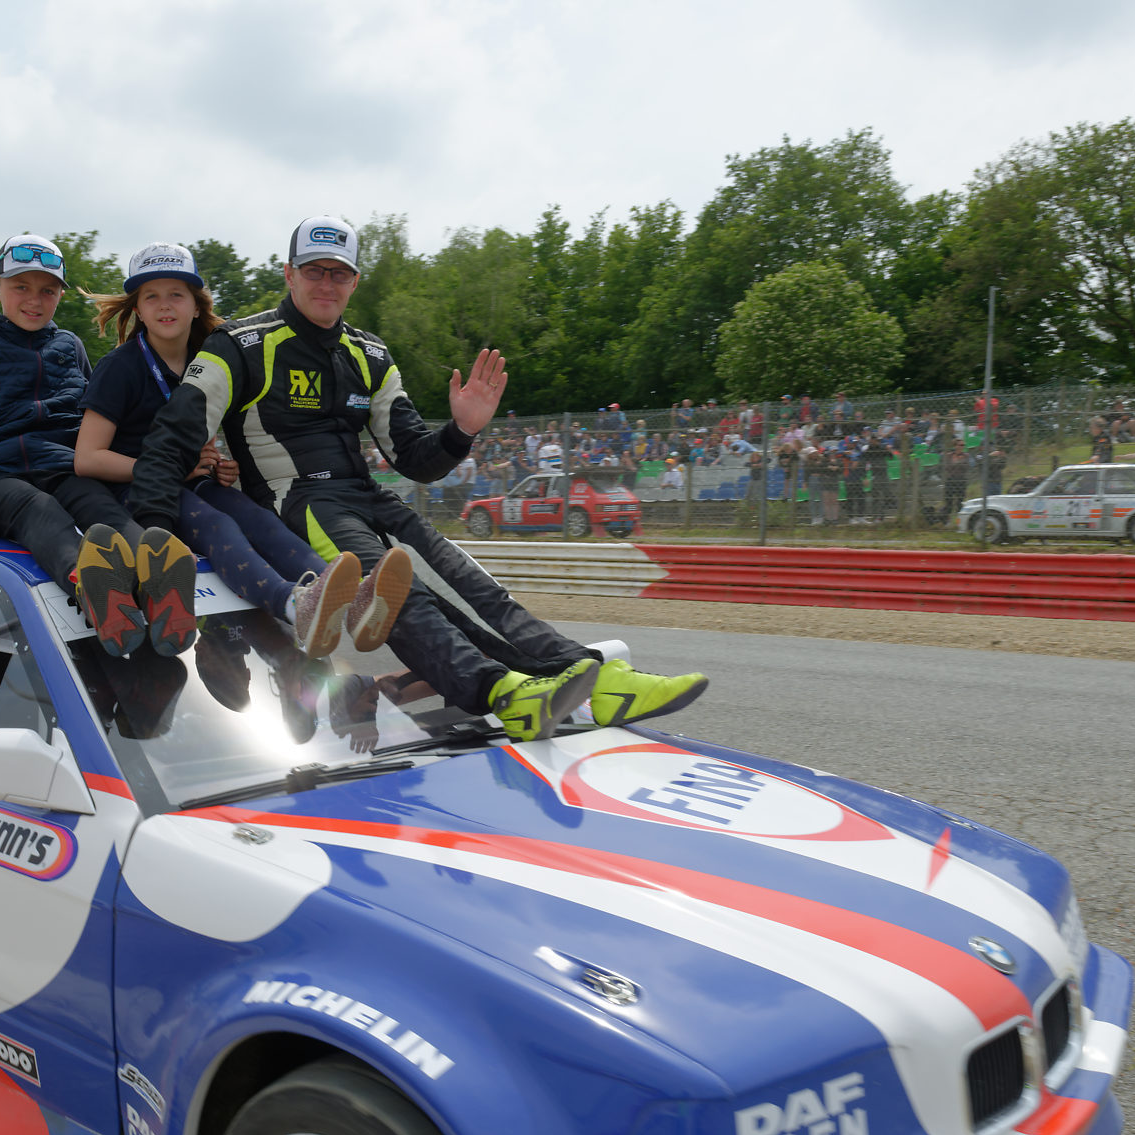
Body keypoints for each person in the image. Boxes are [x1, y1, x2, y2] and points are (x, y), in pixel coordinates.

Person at [128, 215, 706, 741]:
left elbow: (415, 458)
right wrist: (150, 532)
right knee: (401, 594)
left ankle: (592, 678)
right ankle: (503, 693)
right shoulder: (240, 345)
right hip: (295, 504)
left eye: (340, 273)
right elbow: (171, 439)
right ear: (289, 274)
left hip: (368, 495)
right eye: (314, 271)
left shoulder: (372, 354)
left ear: (355, 281)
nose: (326, 283)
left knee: (472, 583)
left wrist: (461, 430)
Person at [65, 242, 409, 658]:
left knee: (262, 522)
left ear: (196, 305)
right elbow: (86, 459)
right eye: (150, 296)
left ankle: (346, 597)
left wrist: (216, 466)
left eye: (176, 294)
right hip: (139, 493)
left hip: (193, 483)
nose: (164, 306)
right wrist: (173, 469)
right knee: (220, 527)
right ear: (137, 309)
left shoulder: (211, 357)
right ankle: (294, 603)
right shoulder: (119, 367)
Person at [0, 234, 196, 657]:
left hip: (61, 468)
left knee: (102, 509)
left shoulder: (71, 347)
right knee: (38, 509)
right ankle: (90, 584)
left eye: (48, 290)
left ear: (60, 295)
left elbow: (99, 426)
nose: (35, 299)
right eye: (20, 287)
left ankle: (160, 586)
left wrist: (171, 464)